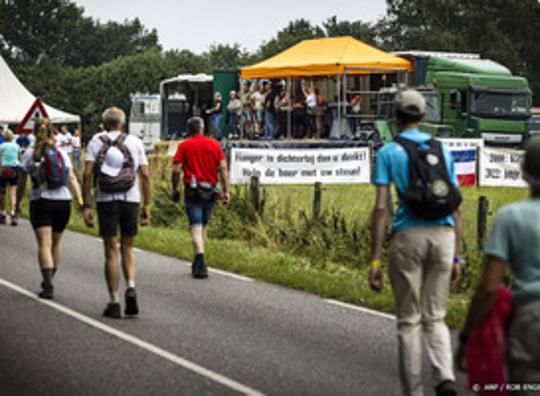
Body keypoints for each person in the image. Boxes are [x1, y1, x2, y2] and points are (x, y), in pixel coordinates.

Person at [369, 89, 462, 396]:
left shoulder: (388, 152)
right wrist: (457, 257)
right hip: (444, 235)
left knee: (409, 321)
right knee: (435, 316)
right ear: (423, 116)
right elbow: (456, 205)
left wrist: (376, 259)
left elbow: (382, 207)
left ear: (395, 117)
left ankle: (415, 391)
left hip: (409, 235)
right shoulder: (442, 150)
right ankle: (445, 376)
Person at [456, 137, 540, 394]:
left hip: (531, 316)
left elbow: (489, 287)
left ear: (524, 173)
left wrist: (467, 334)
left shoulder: (510, 217)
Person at [82, 107, 152, 319]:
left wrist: (86, 204)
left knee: (110, 250)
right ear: (123, 123)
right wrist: (147, 207)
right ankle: (130, 286)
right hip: (131, 199)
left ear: (104, 123)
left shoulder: (96, 141)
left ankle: (114, 301)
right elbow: (146, 175)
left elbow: (86, 173)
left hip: (106, 200)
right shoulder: (135, 142)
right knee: (128, 247)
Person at [15, 118, 84, 299]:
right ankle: (50, 278)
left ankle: (48, 284)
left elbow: (22, 183)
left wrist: (17, 204)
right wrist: (80, 201)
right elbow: (72, 179)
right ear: (53, 131)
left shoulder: (30, 154)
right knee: (56, 243)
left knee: (44, 244)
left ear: (34, 132)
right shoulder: (61, 151)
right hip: (64, 202)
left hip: (41, 200)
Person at [171, 117, 230, 279]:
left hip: (193, 191)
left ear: (189, 130)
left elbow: (176, 169)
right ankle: (198, 261)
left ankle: (200, 259)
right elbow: (223, 168)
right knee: (203, 225)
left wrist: (175, 188)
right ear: (203, 129)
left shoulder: (184, 145)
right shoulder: (214, 144)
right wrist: (226, 190)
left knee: (196, 226)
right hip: (211, 191)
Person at [0, 130, 21, 225]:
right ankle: (13, 213)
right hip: (15, 169)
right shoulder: (16, 146)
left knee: (2, 193)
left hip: (4, 169)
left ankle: (3, 213)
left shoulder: (1, 146)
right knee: (13, 192)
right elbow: (19, 158)